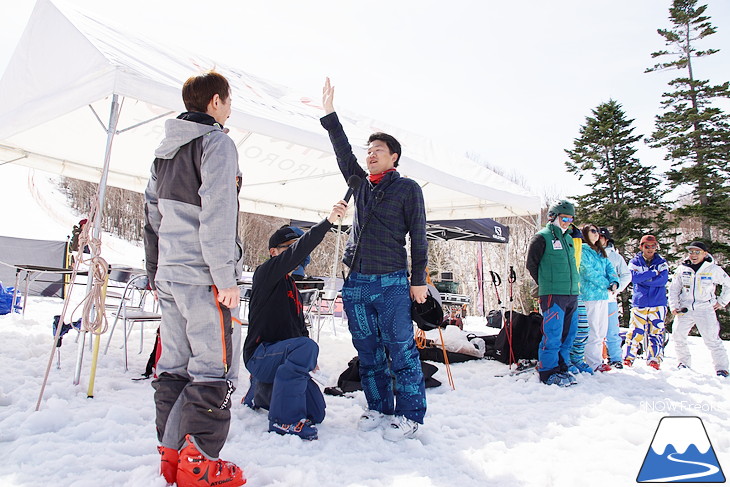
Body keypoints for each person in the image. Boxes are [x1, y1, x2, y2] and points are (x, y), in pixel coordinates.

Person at [144, 71, 245, 487]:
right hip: (203, 276)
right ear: (216, 102)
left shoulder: (163, 153)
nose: (230, 107)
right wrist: (225, 277)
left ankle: (173, 457)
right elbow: (218, 213)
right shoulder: (217, 143)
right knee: (214, 369)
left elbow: (151, 217)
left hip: (169, 274)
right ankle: (200, 463)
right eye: (229, 100)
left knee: (174, 367)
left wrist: (154, 271)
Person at [320, 78, 428, 441]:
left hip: (393, 283)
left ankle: (410, 414)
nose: (370, 154)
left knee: (400, 349)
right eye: (369, 149)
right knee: (367, 349)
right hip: (357, 283)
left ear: (394, 156)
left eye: (378, 149)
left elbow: (419, 235)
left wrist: (419, 280)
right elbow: (341, 152)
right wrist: (329, 113)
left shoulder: (408, 188)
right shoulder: (361, 184)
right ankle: (378, 406)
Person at [242, 200, 348, 440]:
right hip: (260, 355)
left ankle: (260, 390)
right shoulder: (266, 273)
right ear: (274, 252)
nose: (299, 255)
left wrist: (310, 360)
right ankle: (284, 421)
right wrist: (328, 221)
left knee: (316, 412)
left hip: (279, 358)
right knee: (306, 347)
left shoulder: (292, 288)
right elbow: (297, 252)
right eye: (290, 248)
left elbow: (299, 331)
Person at [526, 200, 580, 387]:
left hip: (571, 293)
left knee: (569, 333)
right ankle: (547, 371)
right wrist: (546, 283)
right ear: (553, 217)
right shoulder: (542, 237)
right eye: (564, 218)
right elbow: (531, 264)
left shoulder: (568, 238)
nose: (567, 222)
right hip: (553, 293)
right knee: (553, 334)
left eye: (571, 219)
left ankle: (561, 366)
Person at [668, 241, 730, 378]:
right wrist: (674, 306)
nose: (693, 255)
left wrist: (721, 301)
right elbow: (674, 289)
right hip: (685, 308)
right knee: (678, 336)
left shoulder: (712, 269)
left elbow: (728, 284)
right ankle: (683, 363)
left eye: (697, 252)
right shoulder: (682, 269)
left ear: (705, 254)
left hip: (705, 308)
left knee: (712, 339)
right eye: (691, 252)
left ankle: (722, 368)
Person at [624, 235, 669, 370]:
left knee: (657, 331)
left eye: (653, 246)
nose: (650, 249)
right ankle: (629, 357)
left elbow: (662, 280)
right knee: (635, 331)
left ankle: (654, 359)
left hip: (658, 302)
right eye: (646, 246)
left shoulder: (661, 262)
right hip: (640, 302)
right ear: (641, 247)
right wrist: (652, 273)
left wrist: (644, 279)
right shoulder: (635, 261)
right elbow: (633, 278)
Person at [579, 224, 619, 373]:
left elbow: (610, 269)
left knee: (601, 330)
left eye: (598, 232)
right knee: (592, 329)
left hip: (603, 296)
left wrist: (614, 282)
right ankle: (592, 362)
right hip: (589, 295)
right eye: (593, 231)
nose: (597, 235)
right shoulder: (583, 251)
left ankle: (597, 360)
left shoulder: (600, 253)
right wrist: (606, 283)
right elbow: (587, 272)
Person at [598, 227, 631, 368]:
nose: (598, 240)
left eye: (601, 237)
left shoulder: (615, 257)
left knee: (612, 330)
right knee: (594, 331)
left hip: (609, 300)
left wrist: (617, 289)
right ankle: (595, 358)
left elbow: (626, 275)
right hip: (592, 299)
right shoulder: (589, 253)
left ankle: (616, 358)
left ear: (606, 239)